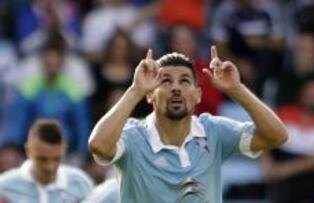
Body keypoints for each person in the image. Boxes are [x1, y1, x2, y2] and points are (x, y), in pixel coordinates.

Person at [88, 46, 288, 202]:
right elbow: (98, 145)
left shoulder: (213, 132)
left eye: (184, 81)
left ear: (198, 95)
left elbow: (277, 136)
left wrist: (237, 89)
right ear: (151, 95)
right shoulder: (133, 137)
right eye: (166, 81)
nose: (176, 87)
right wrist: (135, 90)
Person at [0, 119, 94, 203]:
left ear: (64, 150)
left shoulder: (80, 184)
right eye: (42, 159)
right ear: (28, 151)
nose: (50, 167)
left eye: (57, 159)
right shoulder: (4, 188)